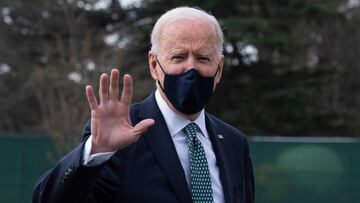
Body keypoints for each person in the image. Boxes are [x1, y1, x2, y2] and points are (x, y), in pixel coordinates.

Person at [33, 6, 254, 203]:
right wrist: (96, 151)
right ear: (154, 64)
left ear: (219, 68)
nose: (191, 68)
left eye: (203, 58)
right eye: (178, 57)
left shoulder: (234, 143)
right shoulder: (119, 136)